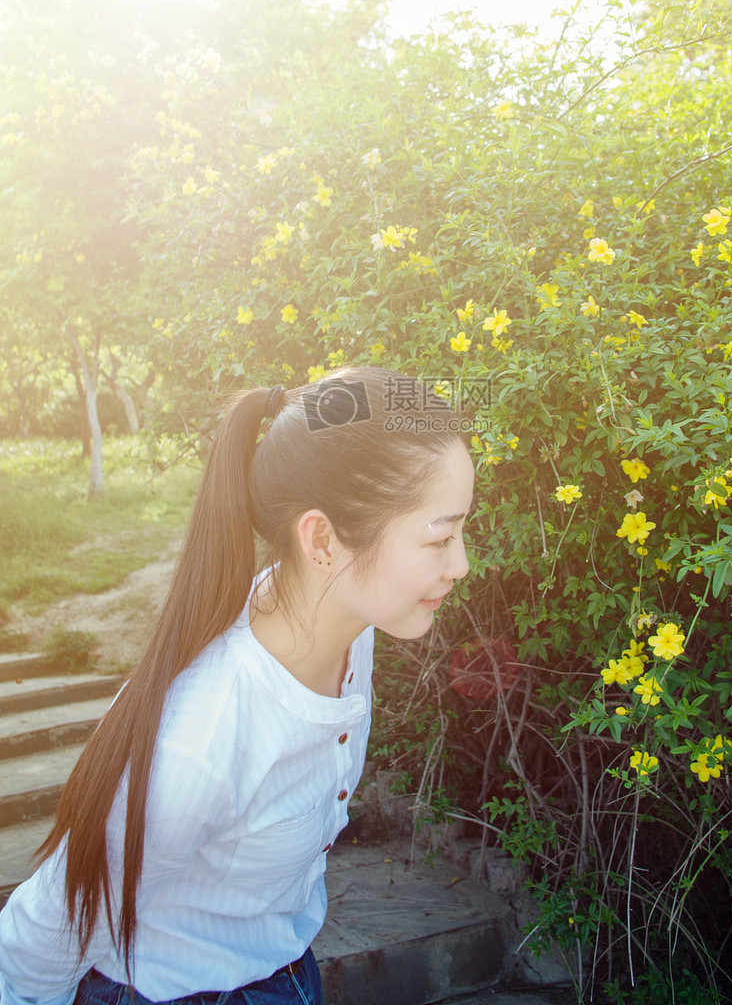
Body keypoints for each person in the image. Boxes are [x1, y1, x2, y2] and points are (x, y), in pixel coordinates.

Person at [0, 367, 474, 1005]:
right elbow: (55, 921)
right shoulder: (199, 739)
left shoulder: (345, 619)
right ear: (322, 540)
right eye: (440, 537)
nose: (461, 564)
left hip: (284, 970)